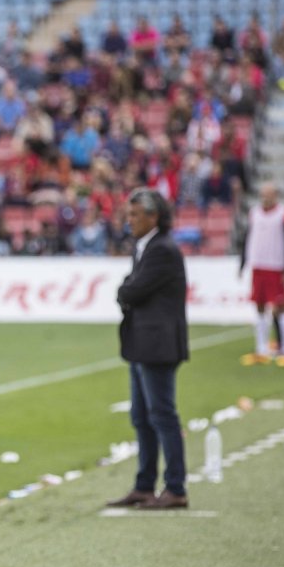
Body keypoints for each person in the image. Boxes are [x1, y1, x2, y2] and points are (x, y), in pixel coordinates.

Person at [107, 188, 189, 510]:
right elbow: (130, 289)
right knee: (141, 416)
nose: (129, 221)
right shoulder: (146, 248)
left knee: (162, 415)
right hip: (143, 343)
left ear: (154, 216)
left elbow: (133, 289)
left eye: (135, 215)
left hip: (157, 344)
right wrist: (126, 291)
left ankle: (175, 487)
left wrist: (125, 291)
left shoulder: (162, 250)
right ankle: (144, 484)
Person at [239, 184, 284, 367]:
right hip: (258, 265)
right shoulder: (254, 213)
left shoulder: (283, 214)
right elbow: (248, 237)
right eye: (263, 194)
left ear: (276, 195)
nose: (266, 198)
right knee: (259, 306)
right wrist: (243, 262)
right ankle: (261, 349)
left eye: (269, 195)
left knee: (282, 307)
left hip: (277, 266)